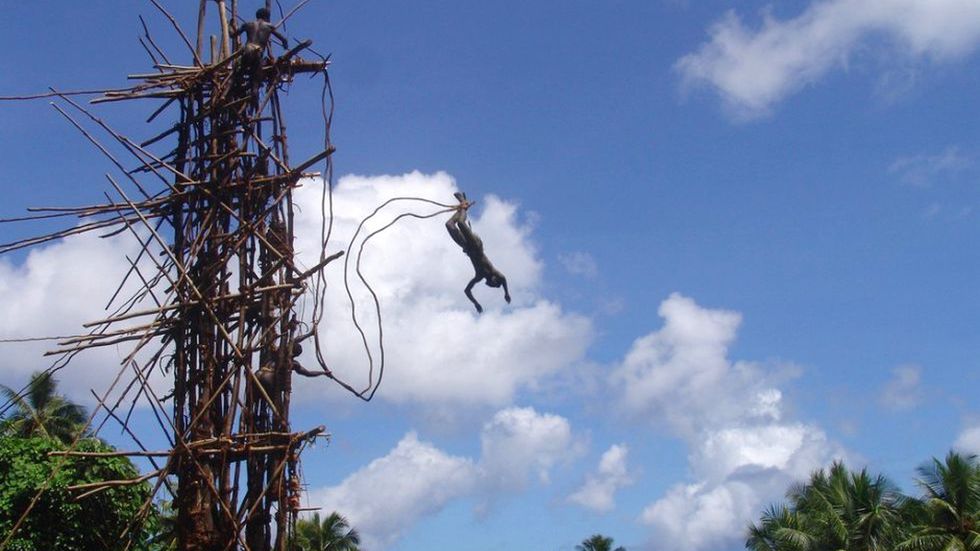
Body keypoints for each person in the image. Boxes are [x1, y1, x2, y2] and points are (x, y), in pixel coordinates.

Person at [446, 192, 511, 313]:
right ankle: (464, 205)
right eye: (493, 284)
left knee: (449, 225)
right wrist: (506, 293)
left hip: (467, 247)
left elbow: (467, 291)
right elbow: (503, 278)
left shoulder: (479, 276)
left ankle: (462, 204)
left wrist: (476, 303)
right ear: (493, 279)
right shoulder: (492, 270)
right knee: (460, 223)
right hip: (475, 245)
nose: (490, 284)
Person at [234, 8, 289, 95]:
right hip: (258, 52)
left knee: (240, 71)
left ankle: (237, 86)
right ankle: (254, 92)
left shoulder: (248, 24)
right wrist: (285, 46)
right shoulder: (269, 26)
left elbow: (233, 35)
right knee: (256, 78)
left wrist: (230, 26)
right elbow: (284, 39)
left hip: (248, 50)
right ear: (266, 17)